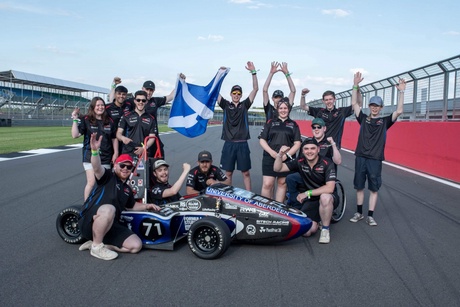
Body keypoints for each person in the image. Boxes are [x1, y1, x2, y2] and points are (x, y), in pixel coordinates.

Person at [78, 133, 160, 260]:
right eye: (122, 165)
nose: (125, 169)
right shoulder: (107, 176)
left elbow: (132, 206)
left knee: (135, 246)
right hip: (89, 220)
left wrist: (147, 206)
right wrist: (94, 151)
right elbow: (96, 167)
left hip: (110, 225)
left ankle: (97, 245)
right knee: (109, 209)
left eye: (129, 167)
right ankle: (97, 246)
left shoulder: (127, 189)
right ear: (115, 165)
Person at [349, 72, 406, 226]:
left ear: (381, 107)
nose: (374, 108)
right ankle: (359, 213)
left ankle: (370, 216)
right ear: (369, 107)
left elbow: (399, 111)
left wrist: (401, 91)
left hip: (375, 159)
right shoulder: (363, 119)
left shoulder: (385, 121)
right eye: (372, 105)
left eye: (377, 106)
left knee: (374, 188)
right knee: (359, 186)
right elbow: (355, 104)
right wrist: (355, 85)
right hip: (361, 156)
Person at [274, 138, 338, 244]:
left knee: (324, 197)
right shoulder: (300, 161)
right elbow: (278, 168)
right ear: (303, 151)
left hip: (329, 197)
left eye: (313, 148)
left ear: (318, 149)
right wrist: (279, 155)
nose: (309, 151)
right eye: (306, 149)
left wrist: (307, 193)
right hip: (312, 200)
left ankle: (325, 229)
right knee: (307, 232)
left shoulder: (327, 163)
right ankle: (318, 219)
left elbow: (330, 188)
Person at [217, 61, 259, 191]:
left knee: (245, 173)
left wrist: (253, 72)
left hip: (242, 144)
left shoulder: (244, 105)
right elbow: (215, 91)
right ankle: (228, 196)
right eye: (234, 93)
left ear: (241, 95)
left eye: (238, 94)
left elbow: (255, 89)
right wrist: (219, 75)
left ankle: (249, 195)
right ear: (230, 94)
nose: (236, 95)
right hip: (229, 144)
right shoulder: (225, 105)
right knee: (228, 173)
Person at [285, 117, 341, 207]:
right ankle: (295, 204)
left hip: (323, 176)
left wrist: (333, 144)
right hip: (308, 175)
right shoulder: (308, 143)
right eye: (314, 127)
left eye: (319, 127)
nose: (316, 129)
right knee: (291, 178)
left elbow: (338, 161)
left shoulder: (329, 143)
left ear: (324, 128)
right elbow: (299, 161)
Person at [71, 97, 118, 200]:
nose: (100, 107)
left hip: (106, 157)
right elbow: (75, 135)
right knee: (92, 182)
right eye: (98, 105)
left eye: (102, 105)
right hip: (90, 156)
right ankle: (86, 206)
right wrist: (75, 119)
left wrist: (116, 153)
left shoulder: (109, 120)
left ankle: (101, 205)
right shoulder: (86, 119)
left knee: (104, 183)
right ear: (93, 107)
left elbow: (114, 138)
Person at [259, 97, 301, 202]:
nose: (283, 110)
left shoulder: (294, 124)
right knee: (267, 184)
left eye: (285, 108)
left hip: (286, 159)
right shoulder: (270, 122)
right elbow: (262, 140)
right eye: (281, 108)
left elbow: (297, 143)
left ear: (289, 109)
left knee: (282, 184)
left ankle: (278, 210)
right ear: (277, 109)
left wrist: (286, 156)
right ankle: (265, 209)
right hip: (270, 157)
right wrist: (272, 153)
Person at [116, 90, 158, 158]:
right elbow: (118, 133)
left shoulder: (151, 118)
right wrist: (122, 138)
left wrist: (144, 148)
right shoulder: (126, 116)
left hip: (144, 153)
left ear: (146, 102)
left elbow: (152, 138)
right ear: (135, 101)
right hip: (128, 152)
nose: (140, 102)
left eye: (143, 100)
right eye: (138, 100)